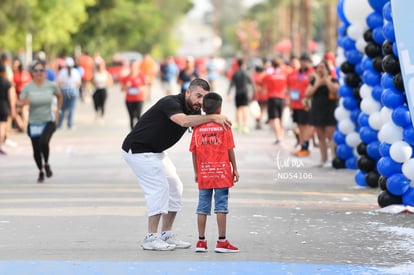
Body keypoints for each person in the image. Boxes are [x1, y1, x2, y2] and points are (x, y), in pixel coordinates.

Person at [121, 78, 231, 251]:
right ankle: (151, 237)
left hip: (155, 152)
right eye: (198, 96)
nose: (200, 101)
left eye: (204, 98)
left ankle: (166, 234)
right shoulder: (171, 103)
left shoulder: (196, 114)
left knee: (175, 187)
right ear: (188, 92)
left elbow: (204, 131)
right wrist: (214, 117)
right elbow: (184, 121)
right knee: (159, 189)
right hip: (138, 151)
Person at [189, 92, 239, 253]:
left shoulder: (197, 128)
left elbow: (194, 152)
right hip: (221, 173)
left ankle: (201, 242)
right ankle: (222, 241)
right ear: (220, 108)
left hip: (204, 172)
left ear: (203, 108)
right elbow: (229, 149)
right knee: (221, 206)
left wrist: (196, 171)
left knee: (202, 206)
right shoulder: (225, 126)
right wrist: (235, 168)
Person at [20, 60, 62, 183]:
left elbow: (59, 96)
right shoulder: (28, 87)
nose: (39, 73)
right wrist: (24, 102)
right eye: (36, 70)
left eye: (41, 70)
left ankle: (47, 163)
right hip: (33, 122)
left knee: (44, 142)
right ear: (32, 72)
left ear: (45, 72)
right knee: (36, 149)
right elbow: (20, 101)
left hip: (48, 121)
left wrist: (58, 112)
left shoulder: (51, 85)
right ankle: (40, 171)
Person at [305, 60, 339, 168]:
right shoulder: (314, 81)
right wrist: (318, 83)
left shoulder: (332, 79)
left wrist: (326, 79)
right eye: (318, 67)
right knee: (320, 136)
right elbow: (307, 93)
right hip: (317, 110)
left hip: (329, 109)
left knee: (330, 135)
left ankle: (333, 158)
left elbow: (335, 90)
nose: (320, 69)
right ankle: (323, 159)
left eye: (323, 67)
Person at [287, 53, 314, 157]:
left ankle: (306, 147)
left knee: (306, 126)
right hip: (295, 103)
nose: (303, 64)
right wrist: (289, 101)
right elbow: (289, 88)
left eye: (305, 61)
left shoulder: (312, 73)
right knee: (300, 125)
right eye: (301, 61)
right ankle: (302, 146)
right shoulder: (293, 73)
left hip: (306, 103)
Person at [262, 57, 288, 144]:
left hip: (272, 98)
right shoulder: (284, 74)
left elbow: (262, 81)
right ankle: (281, 134)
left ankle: (278, 136)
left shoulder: (269, 74)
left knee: (274, 118)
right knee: (280, 118)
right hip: (282, 98)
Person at [227, 58, 255, 133]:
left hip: (238, 93)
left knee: (238, 109)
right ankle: (245, 126)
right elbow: (252, 83)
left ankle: (239, 125)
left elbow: (231, 84)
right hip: (245, 93)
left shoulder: (235, 73)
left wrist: (228, 94)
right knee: (245, 109)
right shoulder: (246, 73)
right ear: (244, 64)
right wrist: (254, 93)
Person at [121, 60, 148, 130]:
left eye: (135, 66)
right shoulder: (126, 77)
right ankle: (132, 131)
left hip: (139, 99)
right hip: (129, 100)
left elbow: (146, 87)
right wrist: (126, 86)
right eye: (132, 66)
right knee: (131, 116)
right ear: (130, 67)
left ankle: (138, 131)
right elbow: (122, 89)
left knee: (138, 115)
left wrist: (141, 88)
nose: (133, 68)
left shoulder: (141, 76)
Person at [56, 57, 82, 129]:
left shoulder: (62, 72)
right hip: (73, 90)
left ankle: (59, 124)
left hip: (64, 91)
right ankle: (70, 124)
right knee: (71, 109)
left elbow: (58, 82)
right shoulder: (76, 72)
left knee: (62, 109)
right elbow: (78, 83)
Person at [0, 63, 16, 155]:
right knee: (2, 126)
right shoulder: (7, 82)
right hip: (4, 107)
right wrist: (12, 109)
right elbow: (11, 97)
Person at [12, 57, 32, 132]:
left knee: (16, 110)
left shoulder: (16, 75)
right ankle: (25, 125)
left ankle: (22, 126)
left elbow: (13, 86)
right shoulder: (26, 74)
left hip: (20, 94)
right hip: (27, 94)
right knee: (24, 110)